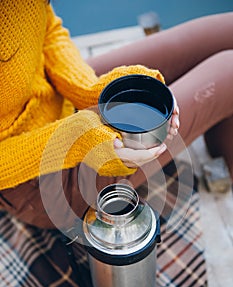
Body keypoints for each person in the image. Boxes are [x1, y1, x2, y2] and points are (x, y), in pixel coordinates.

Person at [0, 1, 232, 232]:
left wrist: (89, 90)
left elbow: (49, 31)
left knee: (226, 30)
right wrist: (73, 138)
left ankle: (219, 153)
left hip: (55, 95)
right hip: (38, 180)